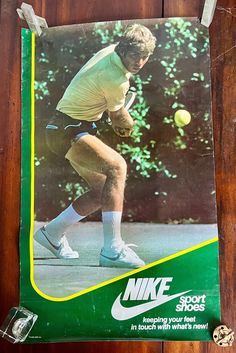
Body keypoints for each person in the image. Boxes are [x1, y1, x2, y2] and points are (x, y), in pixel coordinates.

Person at [34, 24, 156, 268]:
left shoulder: (110, 51)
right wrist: (127, 126)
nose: (140, 62)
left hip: (67, 127)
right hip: (68, 129)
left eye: (145, 57)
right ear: (124, 50)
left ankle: (52, 233)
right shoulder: (116, 80)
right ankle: (113, 250)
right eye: (135, 55)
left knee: (102, 192)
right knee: (117, 167)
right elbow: (119, 121)